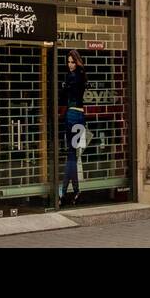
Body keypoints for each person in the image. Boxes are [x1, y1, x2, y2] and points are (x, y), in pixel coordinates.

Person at [59, 50, 88, 204]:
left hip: (71, 115)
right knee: (73, 155)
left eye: (72, 61)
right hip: (81, 116)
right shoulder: (82, 75)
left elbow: (63, 95)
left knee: (71, 154)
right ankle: (75, 191)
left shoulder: (70, 77)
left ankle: (63, 192)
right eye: (68, 62)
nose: (70, 64)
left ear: (76, 62)